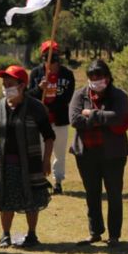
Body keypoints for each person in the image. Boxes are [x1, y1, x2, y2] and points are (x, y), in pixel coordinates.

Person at [0, 64, 55, 248]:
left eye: (10, 84)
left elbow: (49, 136)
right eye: (4, 84)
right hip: (3, 164)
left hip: (31, 163)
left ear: (22, 86)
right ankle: (5, 235)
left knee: (32, 198)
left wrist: (46, 160)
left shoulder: (36, 108)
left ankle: (32, 234)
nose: (6, 87)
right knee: (5, 199)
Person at [69, 59, 128, 248]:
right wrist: (102, 118)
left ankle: (114, 236)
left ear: (108, 77)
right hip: (86, 153)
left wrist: (91, 114)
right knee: (92, 193)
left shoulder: (119, 95)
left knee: (114, 194)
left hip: (113, 154)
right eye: (92, 77)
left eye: (99, 77)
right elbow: (74, 120)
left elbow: (119, 117)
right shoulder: (79, 95)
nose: (96, 81)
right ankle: (95, 232)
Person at [27, 40, 74, 195]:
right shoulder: (36, 73)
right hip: (40, 121)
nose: (51, 59)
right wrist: (39, 88)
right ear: (42, 56)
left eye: (54, 55)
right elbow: (28, 96)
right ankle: (40, 180)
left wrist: (50, 108)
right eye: (47, 56)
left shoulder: (67, 75)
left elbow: (67, 98)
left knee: (59, 153)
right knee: (39, 152)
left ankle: (58, 181)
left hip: (60, 120)